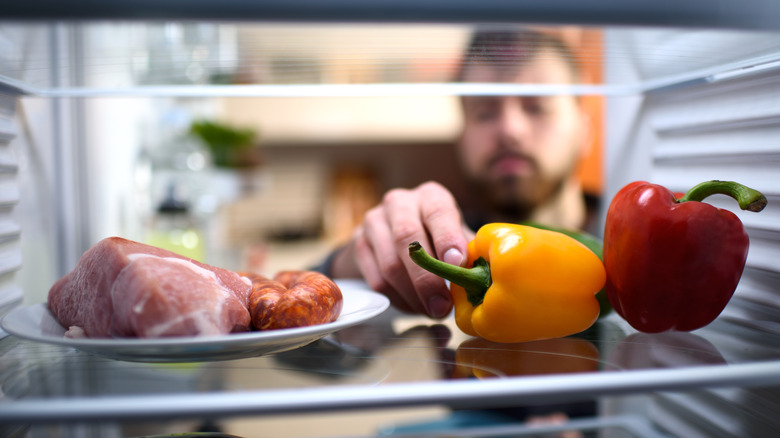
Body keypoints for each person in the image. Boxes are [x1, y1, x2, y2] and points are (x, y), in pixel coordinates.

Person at [320, 28, 598, 320]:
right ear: (462, 135)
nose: (510, 130)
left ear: (585, 129)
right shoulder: (443, 254)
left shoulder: (631, 246)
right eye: (485, 113)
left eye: (537, 107)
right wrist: (350, 262)